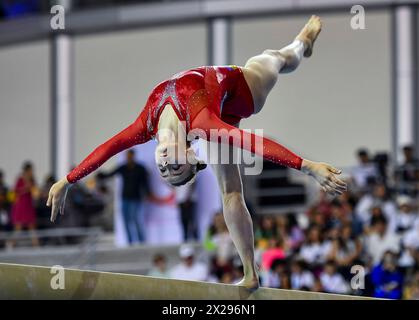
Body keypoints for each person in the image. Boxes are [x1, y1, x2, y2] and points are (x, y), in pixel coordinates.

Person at [47, 16, 346, 289]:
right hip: (242, 93)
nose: (166, 166)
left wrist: (68, 180)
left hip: (218, 104)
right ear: (190, 153)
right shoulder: (203, 123)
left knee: (280, 57)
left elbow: (106, 150)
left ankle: (302, 44)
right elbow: (253, 143)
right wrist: (308, 166)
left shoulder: (145, 124)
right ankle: (250, 272)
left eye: (164, 172)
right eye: (176, 168)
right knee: (274, 60)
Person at [98, 149, 150, 244]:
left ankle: (141, 241)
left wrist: (147, 193)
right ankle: (130, 242)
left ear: (133, 156)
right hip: (125, 198)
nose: (129, 158)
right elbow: (111, 173)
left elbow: (145, 183)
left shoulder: (140, 168)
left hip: (136, 198)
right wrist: (101, 175)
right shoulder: (123, 167)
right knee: (126, 221)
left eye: (130, 156)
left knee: (135, 219)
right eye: (127, 156)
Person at [9, 161, 39, 247]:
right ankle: (11, 244)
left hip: (29, 206)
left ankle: (36, 245)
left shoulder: (32, 180)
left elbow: (35, 191)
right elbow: (15, 191)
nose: (31, 172)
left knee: (32, 226)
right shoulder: (20, 179)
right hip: (21, 206)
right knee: (18, 227)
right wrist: (26, 188)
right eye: (30, 170)